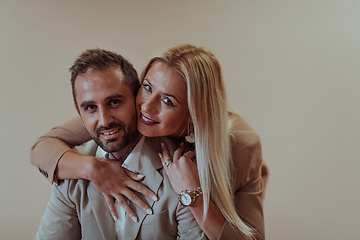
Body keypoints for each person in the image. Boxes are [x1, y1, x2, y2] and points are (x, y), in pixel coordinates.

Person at [31, 44, 268, 240]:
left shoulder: (240, 147)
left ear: (194, 114)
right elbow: (42, 147)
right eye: (147, 88)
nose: (146, 107)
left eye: (167, 100)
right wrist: (93, 168)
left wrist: (192, 197)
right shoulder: (121, 113)